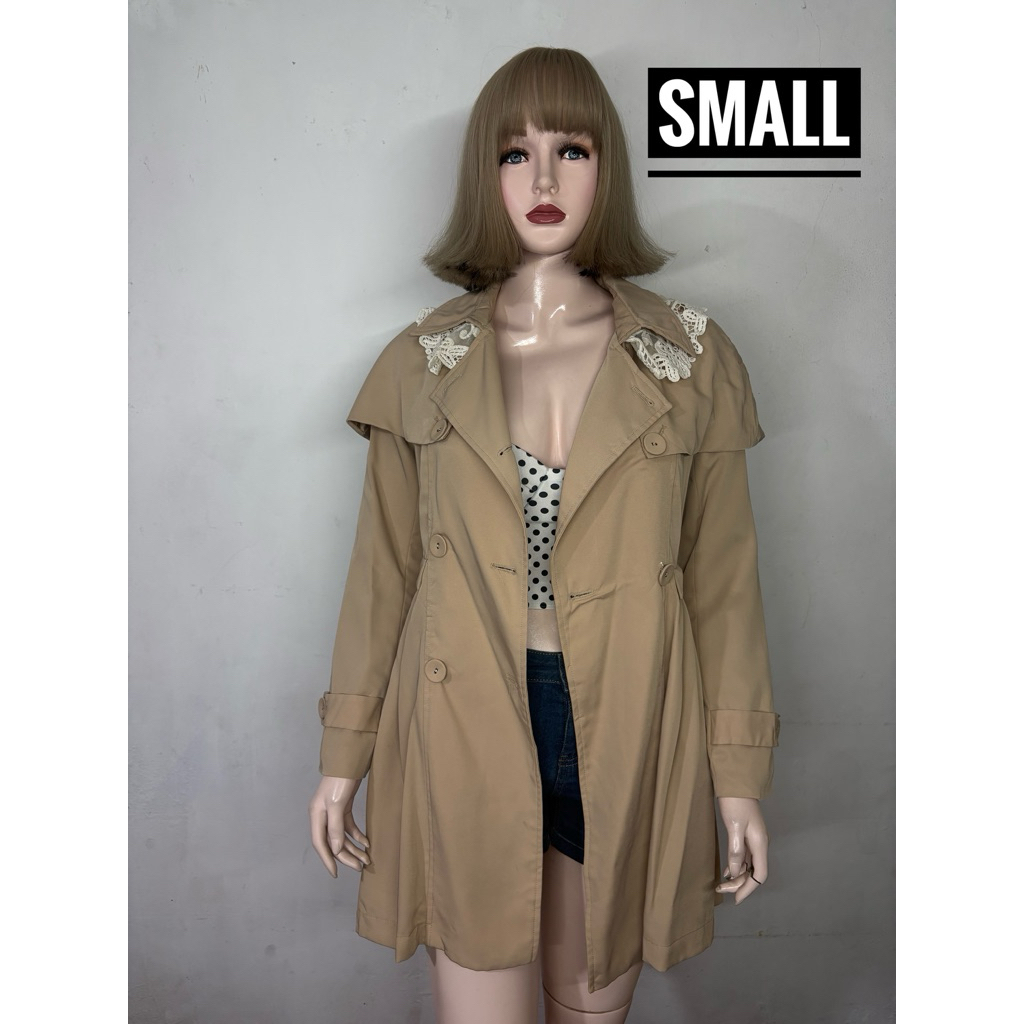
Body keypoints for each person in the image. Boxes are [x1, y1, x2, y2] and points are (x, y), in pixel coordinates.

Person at [308, 47, 781, 1024]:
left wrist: (737, 776)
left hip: (632, 718)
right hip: (464, 715)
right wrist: (342, 754)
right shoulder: (423, 363)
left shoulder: (689, 357)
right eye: (514, 154)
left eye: (571, 149)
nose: (544, 180)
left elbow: (724, 584)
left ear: (607, 168)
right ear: (484, 176)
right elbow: (383, 574)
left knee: (590, 1007)